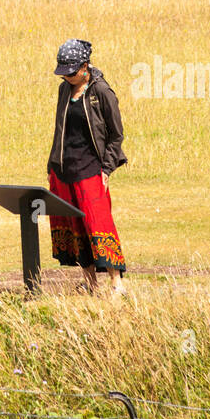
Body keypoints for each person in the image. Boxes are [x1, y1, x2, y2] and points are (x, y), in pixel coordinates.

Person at [46, 39, 127, 297]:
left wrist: (107, 169)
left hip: (92, 170)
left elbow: (116, 135)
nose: (67, 76)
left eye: (71, 71)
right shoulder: (63, 91)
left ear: (84, 67)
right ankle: (90, 282)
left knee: (98, 223)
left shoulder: (101, 91)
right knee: (75, 226)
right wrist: (52, 166)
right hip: (64, 169)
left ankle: (116, 284)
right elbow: (61, 130)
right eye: (64, 72)